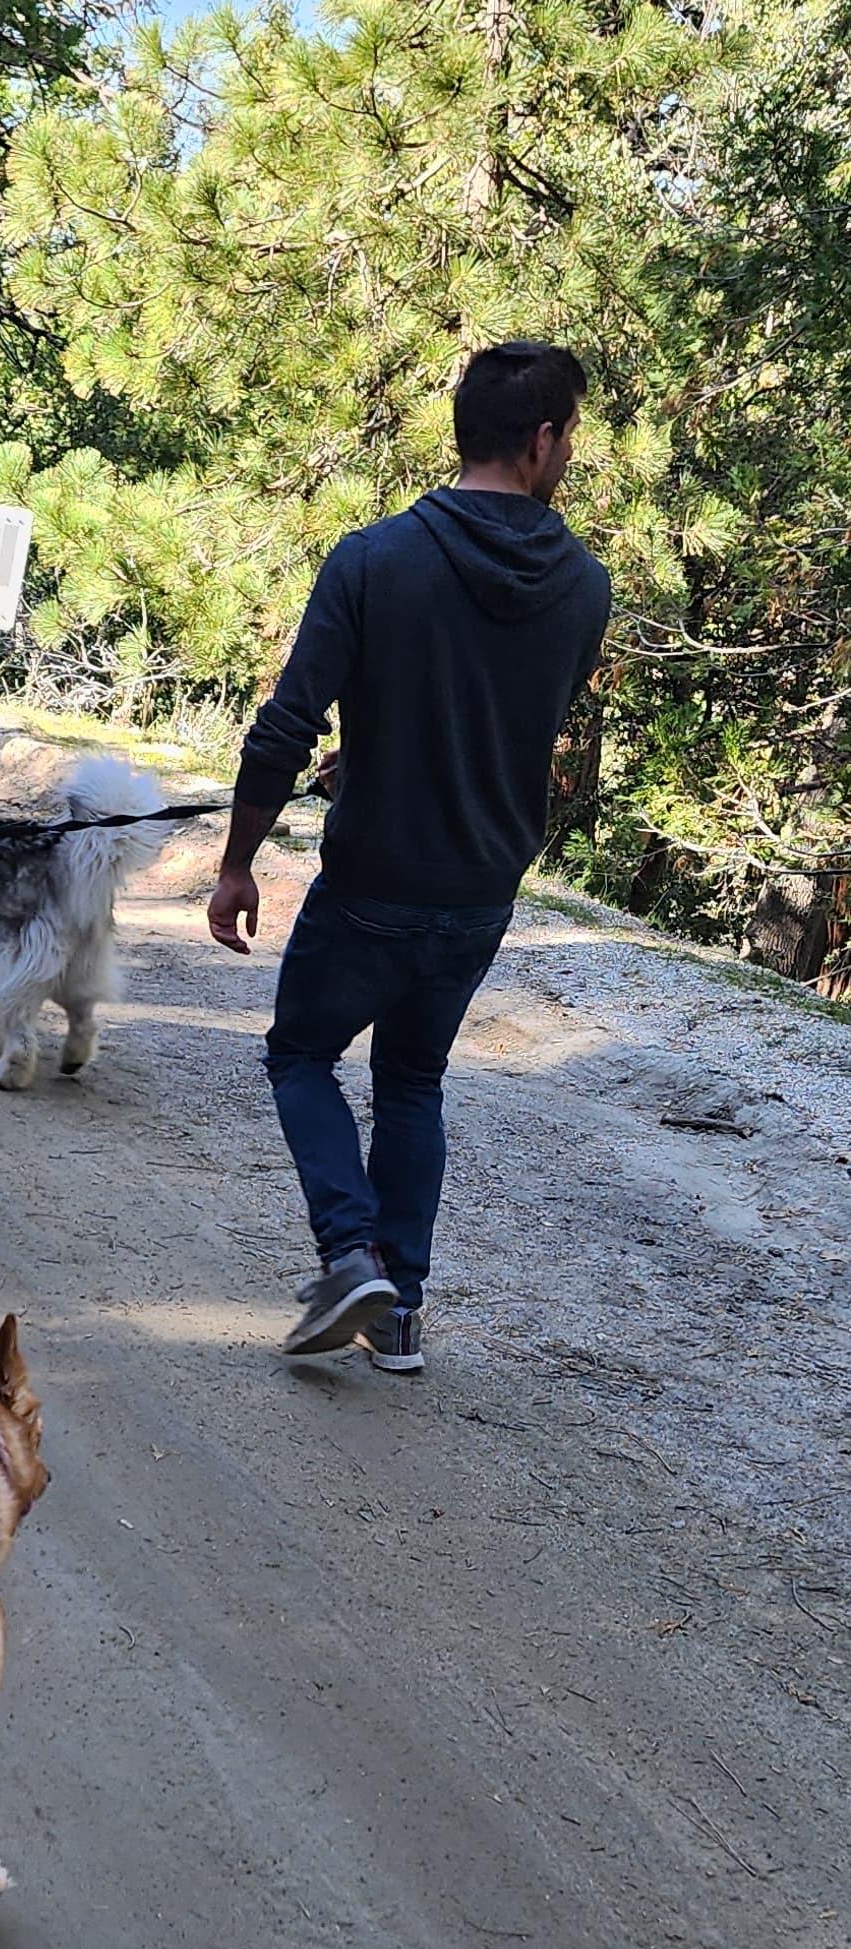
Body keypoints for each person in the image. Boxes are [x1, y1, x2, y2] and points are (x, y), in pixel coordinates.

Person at [208, 340, 612, 1371]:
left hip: (371, 885)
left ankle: (350, 1253)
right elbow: (507, 723)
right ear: (538, 439)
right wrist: (383, 751)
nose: (567, 451)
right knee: (412, 1081)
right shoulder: (581, 588)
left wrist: (236, 860)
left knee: (300, 1054)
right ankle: (398, 1314)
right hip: (478, 892)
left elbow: (282, 725)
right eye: (568, 434)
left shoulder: (370, 559)